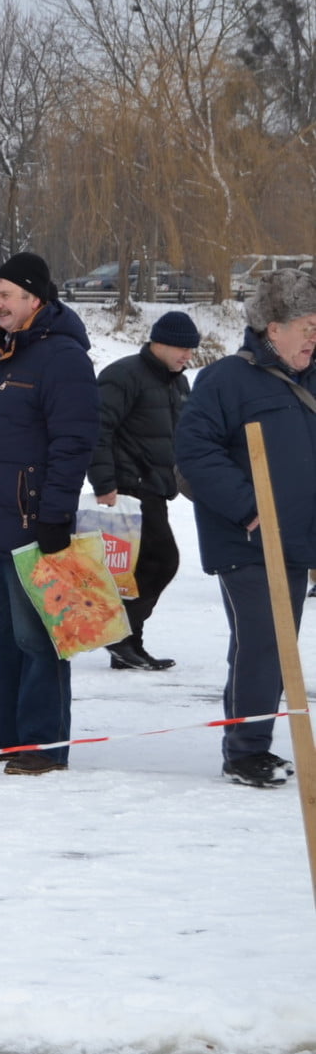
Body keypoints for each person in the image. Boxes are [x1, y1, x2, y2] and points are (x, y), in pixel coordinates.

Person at [176, 268, 316, 788]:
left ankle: (253, 740)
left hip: (299, 536)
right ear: (273, 328)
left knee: (281, 641)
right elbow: (194, 452)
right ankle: (246, 750)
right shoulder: (225, 381)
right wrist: (249, 508)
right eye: (307, 325)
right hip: (248, 538)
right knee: (264, 640)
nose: (313, 337)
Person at [0, 253, 98, 774]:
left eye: (5, 296)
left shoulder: (63, 357)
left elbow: (74, 442)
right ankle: (8, 735)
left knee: (39, 638)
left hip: (34, 522)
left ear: (35, 299)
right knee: (3, 639)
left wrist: (55, 515)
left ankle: (42, 744)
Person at [88, 310, 200, 672]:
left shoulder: (178, 383)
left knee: (135, 571)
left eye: (191, 349)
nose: (188, 356)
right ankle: (119, 636)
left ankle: (127, 644)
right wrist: (104, 483)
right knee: (163, 560)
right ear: (158, 342)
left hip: (156, 487)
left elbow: (183, 437)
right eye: (182, 348)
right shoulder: (123, 375)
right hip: (127, 488)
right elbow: (98, 431)